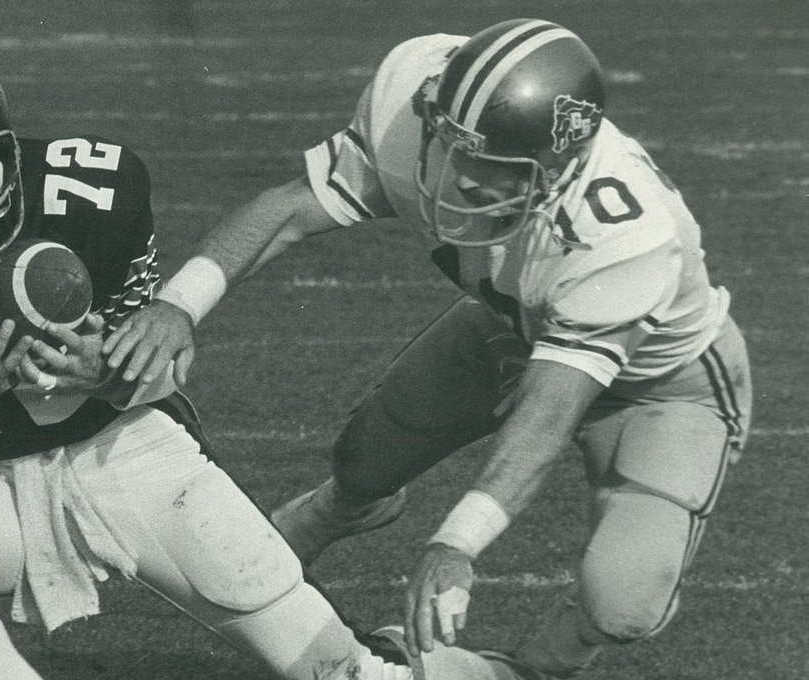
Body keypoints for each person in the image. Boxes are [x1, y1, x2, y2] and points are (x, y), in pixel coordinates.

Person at [104, 18, 752, 680]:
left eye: (488, 166)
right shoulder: (415, 98)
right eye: (452, 146)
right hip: (511, 325)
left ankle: (534, 667)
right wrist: (177, 305)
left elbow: (550, 413)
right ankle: (339, 509)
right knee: (363, 459)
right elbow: (291, 209)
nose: (460, 179)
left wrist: (455, 544)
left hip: (662, 386)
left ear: (558, 168)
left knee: (623, 601)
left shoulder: (624, 235)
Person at [0, 38, 418, 680]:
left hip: (126, 456)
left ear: (5, 155)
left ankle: (396, 653)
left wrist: (105, 374)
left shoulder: (94, 193)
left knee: (348, 670)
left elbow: (154, 376)